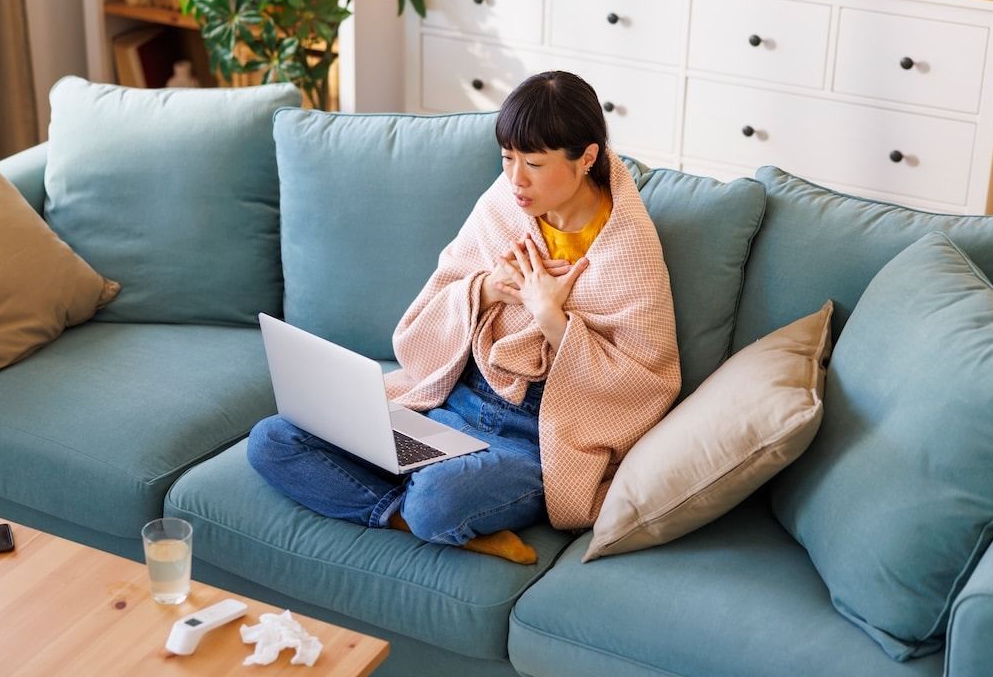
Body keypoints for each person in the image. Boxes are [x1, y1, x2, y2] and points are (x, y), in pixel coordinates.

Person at [247, 71, 680, 564]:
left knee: (437, 500)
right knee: (275, 439)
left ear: (586, 158)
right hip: (453, 405)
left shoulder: (630, 249)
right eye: (507, 158)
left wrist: (551, 318)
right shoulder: (506, 202)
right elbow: (437, 302)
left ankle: (427, 507)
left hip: (536, 441)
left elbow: (646, 383)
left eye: (534, 164)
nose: (516, 179)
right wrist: (486, 289)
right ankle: (403, 514)